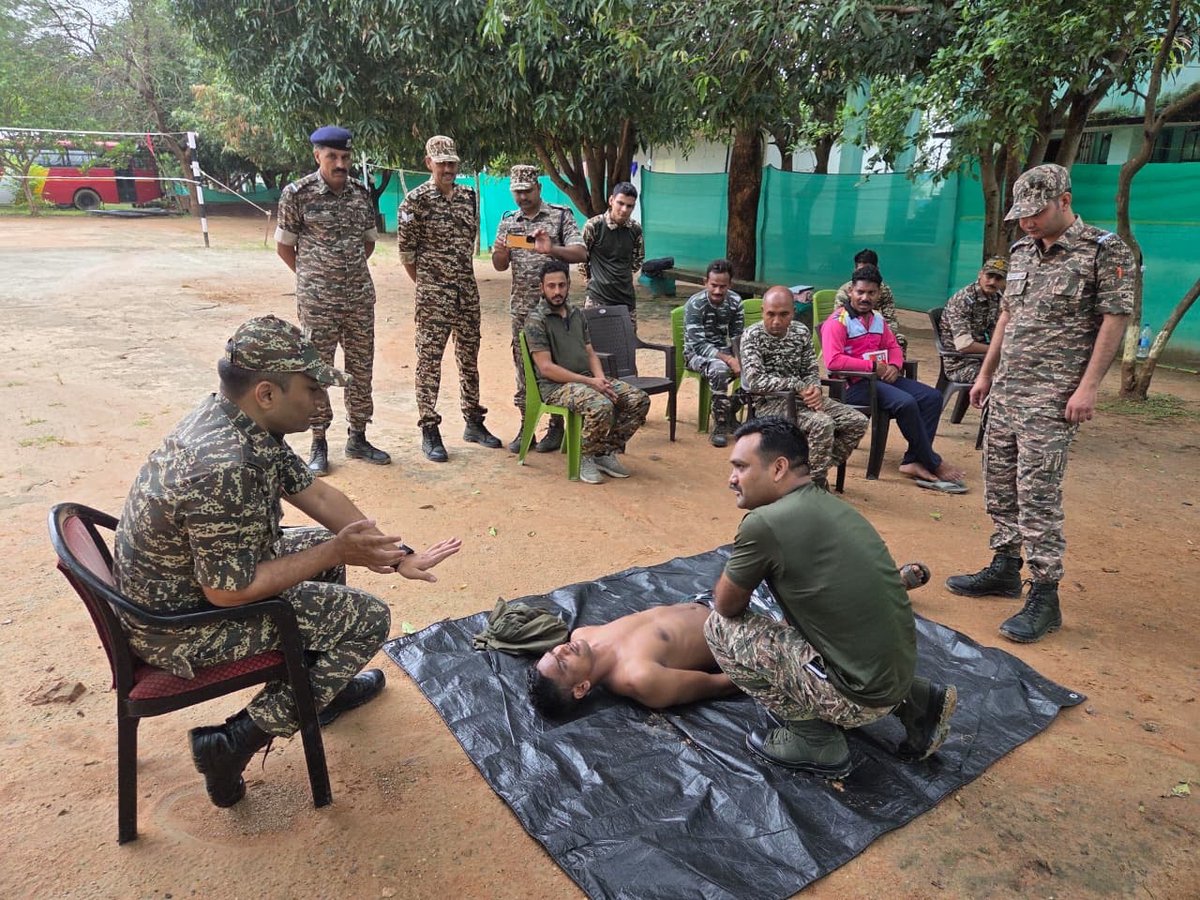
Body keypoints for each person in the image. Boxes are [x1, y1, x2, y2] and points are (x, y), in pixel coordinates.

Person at [112, 315, 462, 808]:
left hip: (186, 590)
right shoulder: (225, 466)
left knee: (323, 551)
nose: (322, 400)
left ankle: (320, 691)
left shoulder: (240, 423)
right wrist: (337, 551)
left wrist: (393, 554)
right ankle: (233, 742)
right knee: (368, 619)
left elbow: (316, 493)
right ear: (266, 393)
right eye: (312, 388)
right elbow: (227, 593)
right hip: (182, 624)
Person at [705, 417, 957, 777]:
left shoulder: (765, 524)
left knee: (720, 628)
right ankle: (917, 701)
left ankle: (815, 741)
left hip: (860, 697)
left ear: (778, 468)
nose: (732, 478)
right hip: (894, 674)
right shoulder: (829, 504)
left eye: (741, 467)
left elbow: (727, 606)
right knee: (795, 620)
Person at [948, 164, 1133, 643]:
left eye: (1036, 213)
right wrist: (986, 373)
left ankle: (1044, 596)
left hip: (1053, 399)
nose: (1027, 222)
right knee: (999, 484)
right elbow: (1007, 316)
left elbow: (1114, 320)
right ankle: (1006, 567)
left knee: (1038, 495)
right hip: (1007, 390)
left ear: (1065, 200)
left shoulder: (1103, 250)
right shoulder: (1020, 251)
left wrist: (1088, 387)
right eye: (1022, 215)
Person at [275, 125, 389, 476]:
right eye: (332, 157)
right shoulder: (298, 194)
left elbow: (368, 243)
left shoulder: (359, 193)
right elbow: (284, 246)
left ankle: (358, 436)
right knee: (318, 372)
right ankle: (319, 441)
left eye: (345, 157)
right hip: (318, 303)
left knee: (360, 370)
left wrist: (347, 272)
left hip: (358, 298)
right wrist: (314, 277)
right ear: (317, 156)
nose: (340, 163)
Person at [397, 135, 502, 462]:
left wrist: (455, 283)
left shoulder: (469, 196)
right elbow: (407, 255)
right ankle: (429, 428)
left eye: (452, 163)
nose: (448, 169)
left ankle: (473, 421)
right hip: (433, 297)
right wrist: (431, 285)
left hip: (466, 293)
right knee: (429, 362)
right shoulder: (415, 202)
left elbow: (468, 244)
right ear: (429, 163)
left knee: (469, 358)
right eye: (441, 163)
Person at [821, 264, 967, 492]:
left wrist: (894, 365)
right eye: (860, 292)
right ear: (851, 291)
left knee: (932, 397)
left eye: (871, 293)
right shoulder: (838, 321)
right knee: (905, 402)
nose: (865, 298)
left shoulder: (877, 319)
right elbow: (833, 361)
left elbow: (893, 346)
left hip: (880, 380)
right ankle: (932, 461)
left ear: (879, 294)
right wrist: (873, 367)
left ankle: (913, 460)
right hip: (853, 385)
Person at [524, 260, 650, 485]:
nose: (557, 291)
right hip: (556, 387)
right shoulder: (536, 321)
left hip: (587, 379)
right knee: (600, 405)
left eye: (562, 285)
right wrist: (590, 382)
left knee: (637, 399)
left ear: (569, 284)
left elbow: (590, 352)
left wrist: (600, 379)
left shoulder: (576, 314)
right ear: (541, 288)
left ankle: (603, 452)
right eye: (551, 286)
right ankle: (585, 456)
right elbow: (546, 368)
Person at [492, 164, 587, 453]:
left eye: (527, 191)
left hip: (555, 310)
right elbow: (499, 265)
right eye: (517, 193)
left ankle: (557, 428)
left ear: (539, 188)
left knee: (559, 364)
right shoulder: (509, 221)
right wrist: (500, 253)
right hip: (522, 310)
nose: (522, 198)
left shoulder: (559, 216)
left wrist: (553, 249)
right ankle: (527, 426)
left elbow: (581, 252)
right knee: (524, 369)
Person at [740, 285, 868, 489]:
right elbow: (756, 381)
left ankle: (806, 474)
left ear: (793, 312)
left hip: (803, 399)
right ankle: (814, 486)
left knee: (857, 421)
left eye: (784, 314)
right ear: (763, 311)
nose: (776, 321)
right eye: (770, 314)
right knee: (822, 424)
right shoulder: (752, 336)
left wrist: (815, 390)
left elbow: (810, 370)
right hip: (771, 402)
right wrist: (797, 385)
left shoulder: (800, 332)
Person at [528, 603, 738, 716]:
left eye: (554, 652)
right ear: (581, 688)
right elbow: (720, 685)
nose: (562, 650)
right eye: (562, 664)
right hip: (739, 633)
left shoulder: (582, 634)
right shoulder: (641, 678)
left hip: (717, 601)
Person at [683, 258, 744, 447]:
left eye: (723, 286)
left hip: (723, 350)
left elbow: (737, 336)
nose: (718, 291)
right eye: (714, 285)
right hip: (695, 354)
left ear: (730, 285)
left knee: (756, 365)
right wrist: (729, 360)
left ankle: (730, 408)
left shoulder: (735, 301)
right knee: (718, 368)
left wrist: (740, 359)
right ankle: (721, 424)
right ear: (705, 283)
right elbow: (699, 345)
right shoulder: (695, 304)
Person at [580, 181, 645, 329]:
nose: (624, 209)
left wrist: (622, 274)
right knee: (594, 346)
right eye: (620, 203)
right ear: (611, 200)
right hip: (597, 298)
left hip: (626, 300)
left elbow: (638, 258)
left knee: (627, 346)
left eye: (629, 206)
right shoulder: (594, 226)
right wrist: (590, 280)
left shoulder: (635, 229)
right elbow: (582, 257)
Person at [938, 257, 1008, 383]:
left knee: (1021, 376)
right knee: (1002, 383)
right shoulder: (963, 300)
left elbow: (997, 333)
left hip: (983, 359)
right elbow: (964, 345)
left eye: (998, 279)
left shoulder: (996, 298)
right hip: (960, 364)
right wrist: (997, 350)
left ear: (1004, 282)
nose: (992, 282)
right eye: (989, 276)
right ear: (980, 274)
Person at [835, 248, 908, 355]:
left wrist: (882, 337)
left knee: (899, 341)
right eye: (860, 270)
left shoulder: (884, 290)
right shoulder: (845, 291)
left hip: (878, 331)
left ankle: (895, 369)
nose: (865, 297)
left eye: (871, 293)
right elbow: (839, 322)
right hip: (852, 334)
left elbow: (890, 319)